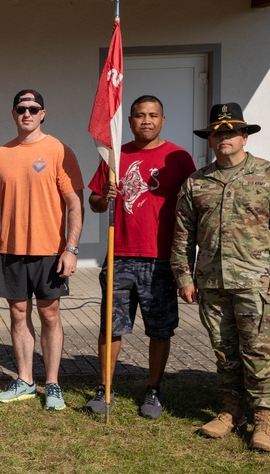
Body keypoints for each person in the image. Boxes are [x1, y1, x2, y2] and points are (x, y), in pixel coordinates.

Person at [171, 102, 270, 453]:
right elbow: (182, 236)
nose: (224, 137)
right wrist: (184, 276)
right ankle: (231, 411)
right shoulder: (197, 183)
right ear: (210, 140)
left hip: (256, 283)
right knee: (224, 352)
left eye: (231, 132)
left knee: (258, 352)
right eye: (217, 132)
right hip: (211, 284)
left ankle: (264, 419)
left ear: (244, 136)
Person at [0, 89, 83, 411]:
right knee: (18, 314)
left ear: (43, 113)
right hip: (11, 250)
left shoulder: (59, 150)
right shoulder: (0, 154)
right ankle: (25, 380)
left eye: (33, 108)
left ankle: (53, 383)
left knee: (49, 315)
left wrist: (71, 249)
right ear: (14, 114)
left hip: (50, 250)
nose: (26, 113)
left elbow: (74, 204)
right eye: (21, 108)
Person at [84, 95, 196, 419]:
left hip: (160, 259)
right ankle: (105, 389)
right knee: (111, 327)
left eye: (153, 115)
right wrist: (104, 196)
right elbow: (94, 201)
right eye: (139, 115)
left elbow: (192, 205)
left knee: (160, 330)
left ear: (163, 119)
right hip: (120, 256)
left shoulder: (178, 157)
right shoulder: (114, 155)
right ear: (129, 121)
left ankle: (153, 390)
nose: (146, 120)